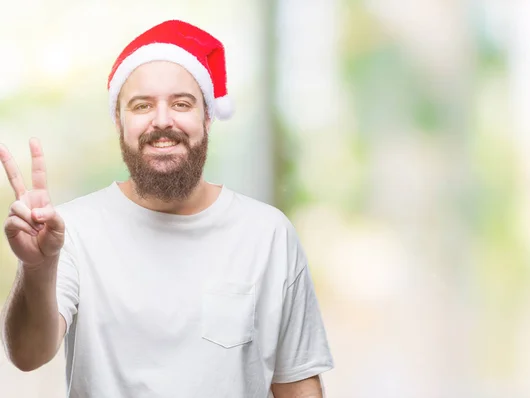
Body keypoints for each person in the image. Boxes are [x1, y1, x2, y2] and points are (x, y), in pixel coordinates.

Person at [0, 19, 334, 398]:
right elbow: (27, 356)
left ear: (208, 117)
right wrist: (38, 267)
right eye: (142, 105)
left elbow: (297, 384)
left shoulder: (268, 234)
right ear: (119, 121)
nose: (162, 121)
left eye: (181, 103)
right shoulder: (73, 231)